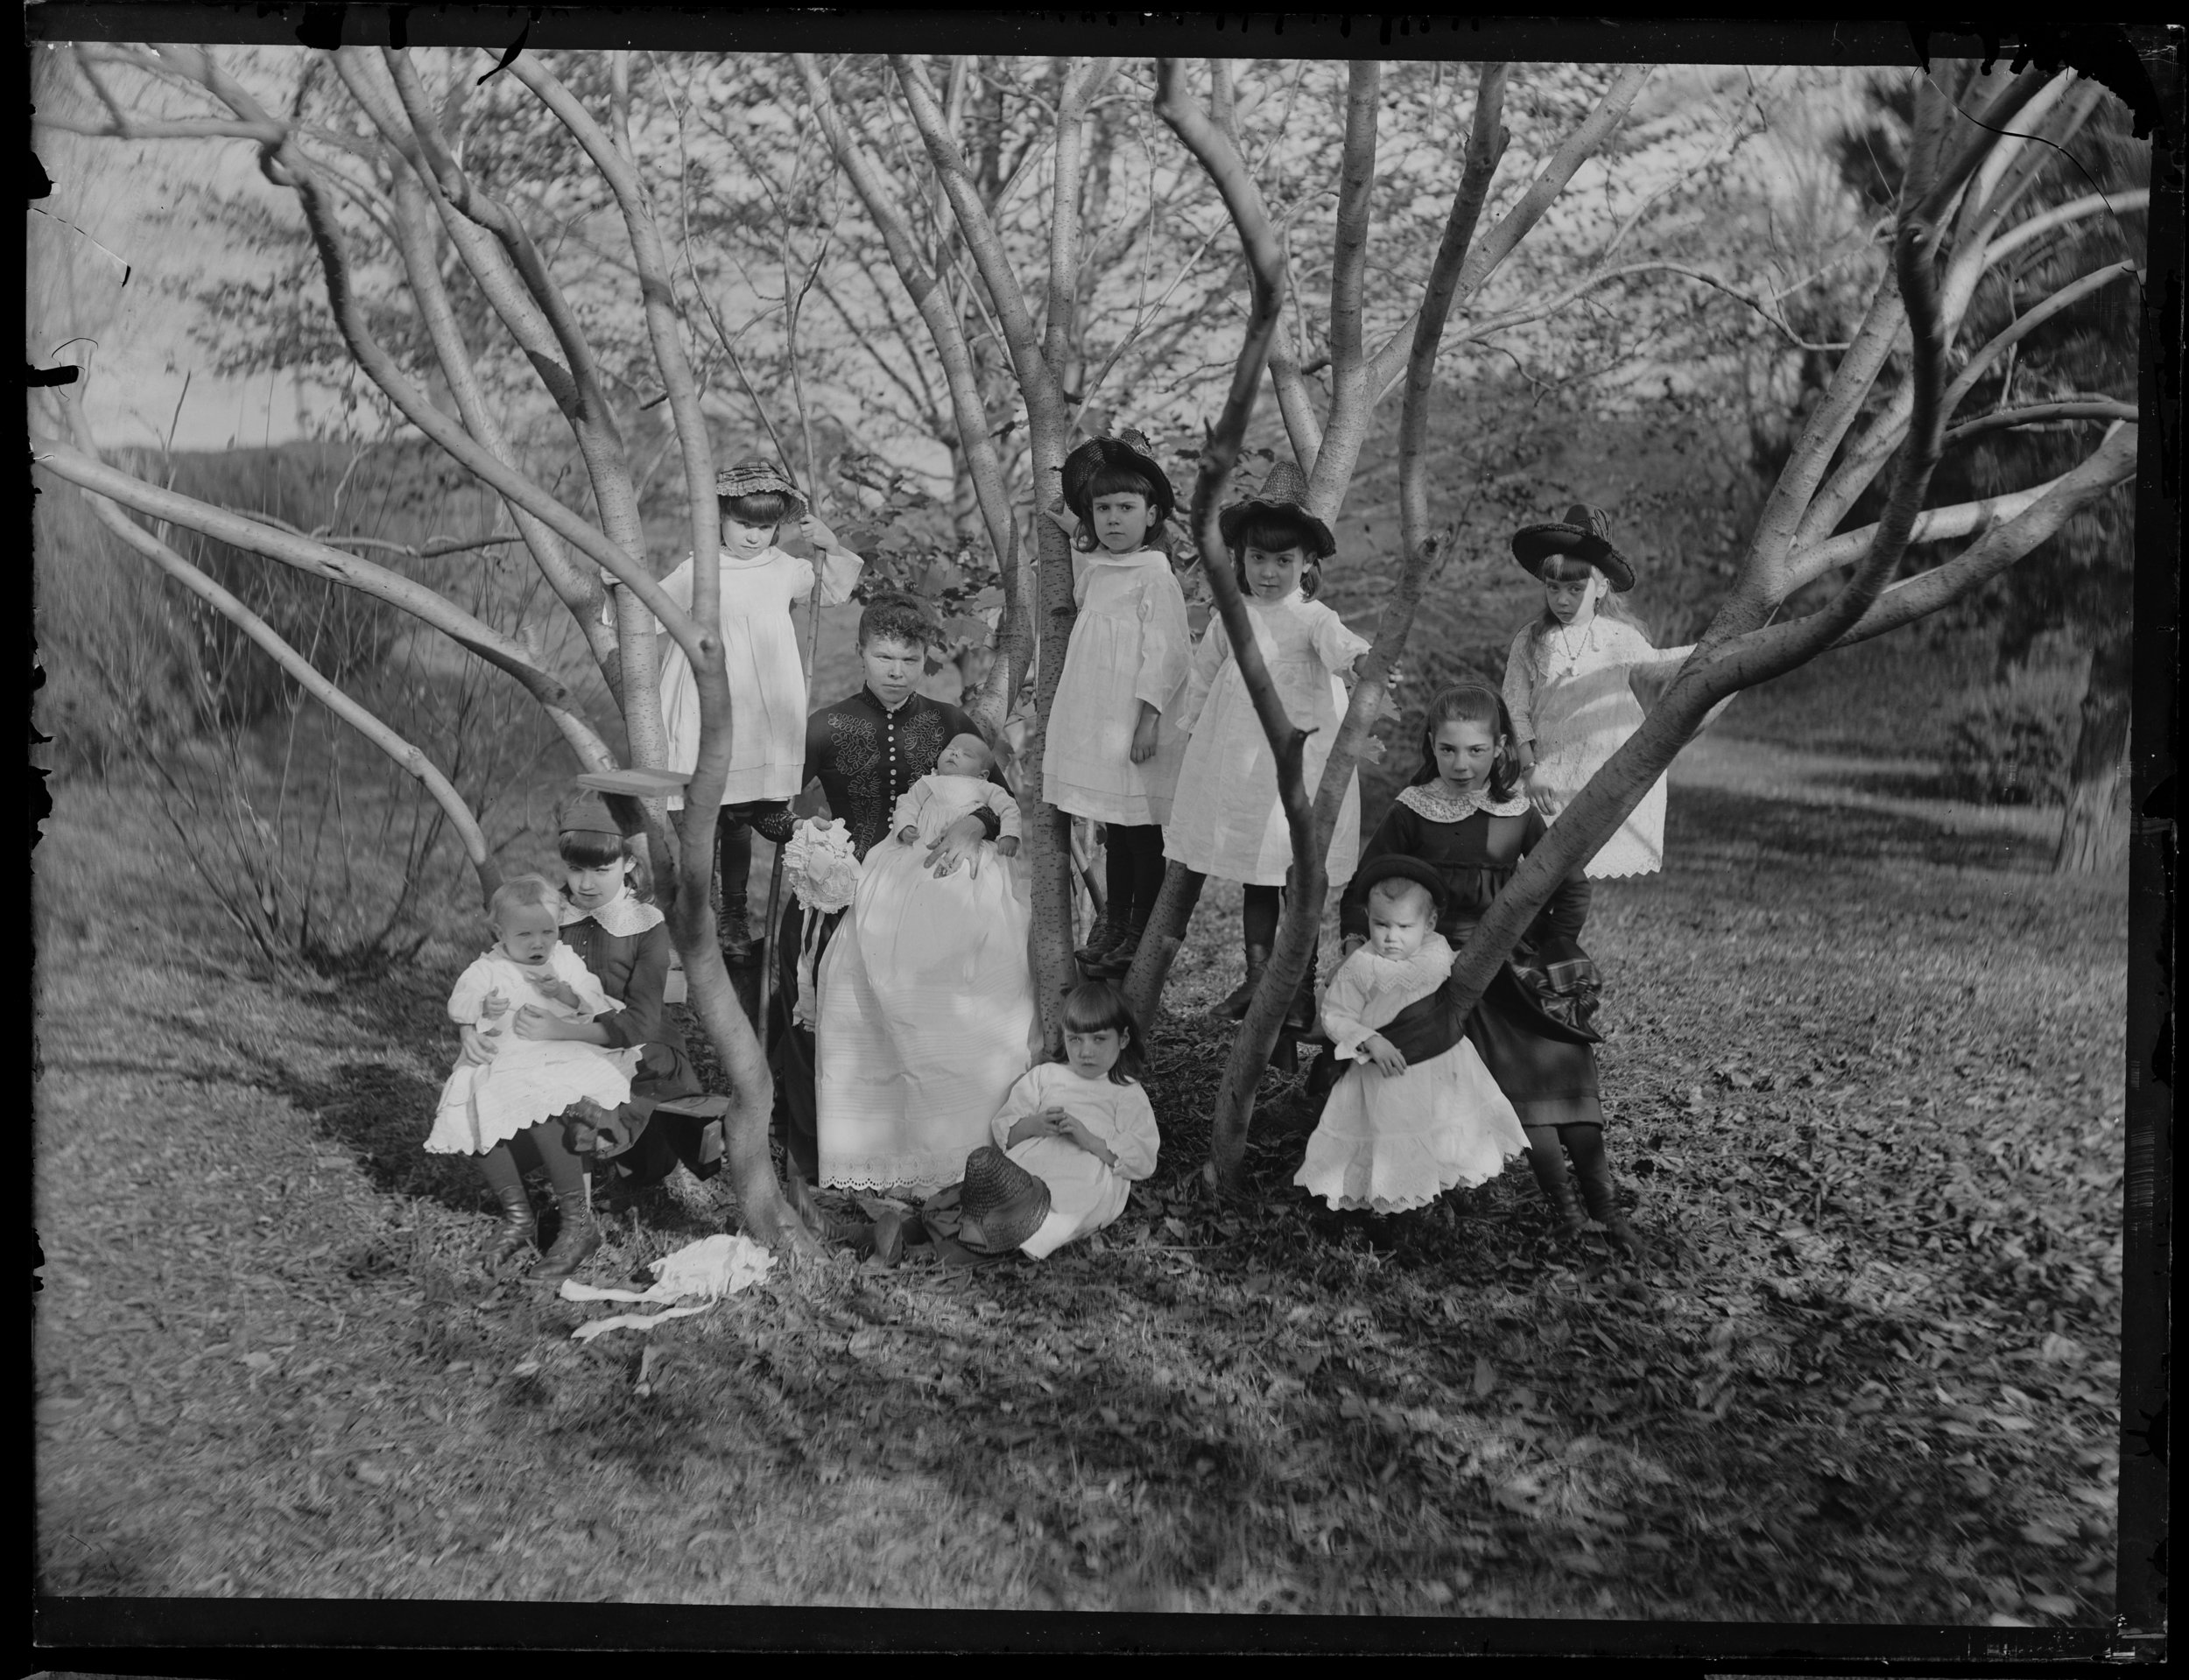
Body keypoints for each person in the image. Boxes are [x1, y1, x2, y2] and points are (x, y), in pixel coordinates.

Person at [1341, 683, 1641, 1255]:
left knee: (1565, 1068)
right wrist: (1360, 943)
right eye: (1449, 749)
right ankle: (1570, 1215)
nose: (1462, 764)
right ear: (1432, 744)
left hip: (1517, 962)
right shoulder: (1414, 809)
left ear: (1501, 748)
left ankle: (1607, 1208)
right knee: (1520, 1085)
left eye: (1477, 750)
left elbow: (1570, 885)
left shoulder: (1513, 811)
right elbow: (1364, 885)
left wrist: (1554, 949)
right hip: (1446, 967)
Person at [751, 592, 1003, 1192]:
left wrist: (978, 823)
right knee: (817, 1018)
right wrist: (806, 831)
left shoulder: (950, 724)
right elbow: (764, 810)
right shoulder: (828, 724)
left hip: (932, 896)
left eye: (910, 659)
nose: (895, 670)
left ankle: (926, 1157)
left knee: (925, 1027)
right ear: (861, 651)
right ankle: (820, 1163)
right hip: (842, 889)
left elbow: (1002, 800)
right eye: (884, 656)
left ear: (925, 661)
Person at [1164, 459, 1397, 1032]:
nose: (1269, 573)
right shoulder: (1234, 614)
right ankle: (1257, 974)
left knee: (1297, 871)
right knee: (1257, 871)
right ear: (1240, 558)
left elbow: (1342, 644)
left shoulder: (1311, 616)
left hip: (1299, 761)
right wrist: (1187, 729)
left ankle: (1295, 986)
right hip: (1241, 762)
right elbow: (1202, 670)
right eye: (1258, 558)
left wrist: (1367, 661)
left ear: (1308, 563)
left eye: (1284, 561)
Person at [628, 459, 862, 963]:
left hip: (765, 708)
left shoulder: (783, 568)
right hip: (708, 703)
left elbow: (836, 590)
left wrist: (830, 544)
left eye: (765, 527)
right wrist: (617, 582)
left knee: (745, 809)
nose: (755, 537)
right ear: (719, 518)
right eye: (744, 525)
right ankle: (699, 910)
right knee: (711, 809)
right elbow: (644, 615)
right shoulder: (699, 570)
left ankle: (736, 911)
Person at [469, 791, 725, 1201]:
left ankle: (579, 1215)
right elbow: (509, 974)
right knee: (489, 1085)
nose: (585, 884)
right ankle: (551, 1205)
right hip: (558, 1036)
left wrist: (558, 1031)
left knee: (572, 1092)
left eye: (601, 870)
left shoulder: (644, 924)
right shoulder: (551, 913)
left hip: (637, 1047)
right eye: (574, 869)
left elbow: (641, 1022)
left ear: (629, 864)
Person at [815, 727, 1038, 1195]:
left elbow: (1008, 809)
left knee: (975, 962)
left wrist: (1006, 834)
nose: (954, 754)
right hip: (907, 863)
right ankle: (885, 1150)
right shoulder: (924, 784)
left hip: (972, 867)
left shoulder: (988, 787)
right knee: (874, 971)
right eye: (950, 751)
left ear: (983, 767)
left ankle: (966, 1147)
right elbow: (906, 809)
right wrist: (907, 831)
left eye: (967, 753)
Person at [428, 874, 638, 1282]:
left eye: (548, 931)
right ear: (499, 933)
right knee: (470, 1106)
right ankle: (518, 1217)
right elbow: (461, 1001)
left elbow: (592, 1000)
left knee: (542, 1100)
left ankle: (578, 1222)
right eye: (525, 934)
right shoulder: (488, 968)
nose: (539, 942)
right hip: (505, 1061)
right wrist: (481, 1006)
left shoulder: (564, 961)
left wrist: (563, 994)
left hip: (560, 1053)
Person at [1039, 429, 1193, 979]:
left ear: (1152, 515)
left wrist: (1150, 718)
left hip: (1135, 721)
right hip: (1098, 720)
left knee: (1141, 829)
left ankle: (1137, 927)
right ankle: (1113, 920)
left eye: (1126, 507)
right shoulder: (1102, 567)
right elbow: (1087, 562)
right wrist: (1067, 523)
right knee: (1117, 827)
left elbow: (1171, 653)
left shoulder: (1155, 575)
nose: (1113, 519)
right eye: (1102, 509)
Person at [1294, 857, 1528, 1215]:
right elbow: (1335, 1015)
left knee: (1437, 1128)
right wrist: (1370, 1039)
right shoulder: (1361, 966)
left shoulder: (1436, 951)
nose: (1390, 937)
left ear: (1429, 922)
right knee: (1390, 1133)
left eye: (1404, 926)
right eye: (1380, 924)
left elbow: (1459, 969)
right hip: (1386, 1072)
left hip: (1437, 1064)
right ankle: (1390, 1206)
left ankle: (1434, 1196)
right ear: (1367, 917)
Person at [1501, 503, 1705, 881]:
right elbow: (1513, 708)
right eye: (1554, 588)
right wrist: (1530, 769)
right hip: (1548, 769)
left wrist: (1707, 649)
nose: (1562, 600)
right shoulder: (1531, 639)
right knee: (1534, 865)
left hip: (1602, 766)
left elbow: (1658, 663)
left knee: (1577, 871)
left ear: (1601, 588)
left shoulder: (1615, 636)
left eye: (1575, 589)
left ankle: (1562, 932)